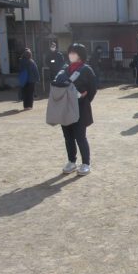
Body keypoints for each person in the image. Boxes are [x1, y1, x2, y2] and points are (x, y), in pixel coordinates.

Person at [57, 43, 97, 176]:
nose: (71, 55)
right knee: (68, 137)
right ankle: (71, 161)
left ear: (80, 55)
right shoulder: (64, 69)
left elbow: (92, 89)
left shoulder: (86, 69)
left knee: (80, 136)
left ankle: (86, 163)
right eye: (70, 52)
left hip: (80, 108)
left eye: (74, 52)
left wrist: (83, 99)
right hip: (65, 108)